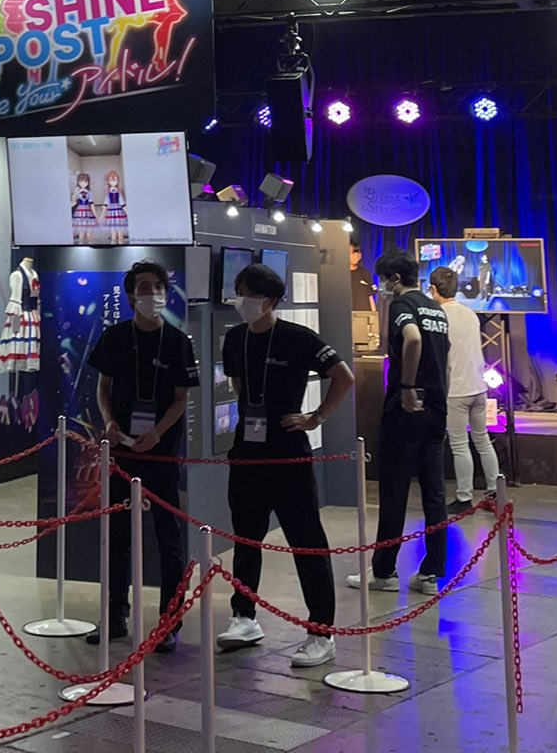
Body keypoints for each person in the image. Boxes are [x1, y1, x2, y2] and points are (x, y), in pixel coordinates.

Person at [217, 263, 354, 667]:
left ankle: (321, 631)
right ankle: (244, 616)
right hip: (247, 453)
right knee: (246, 537)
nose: (243, 300)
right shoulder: (235, 338)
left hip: (289, 453)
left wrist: (316, 417)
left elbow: (343, 376)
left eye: (250, 293)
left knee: (306, 541)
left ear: (271, 300)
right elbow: (239, 387)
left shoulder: (297, 337)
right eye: (240, 291)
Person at [87, 260, 199, 650]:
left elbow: (182, 398)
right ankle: (115, 615)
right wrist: (109, 421)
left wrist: (158, 432)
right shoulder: (115, 337)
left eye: (158, 286)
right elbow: (103, 387)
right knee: (117, 534)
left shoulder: (178, 342)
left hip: (161, 453)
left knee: (169, 537)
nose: (152, 293)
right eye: (144, 287)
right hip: (122, 451)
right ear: (132, 296)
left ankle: (170, 621)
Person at [349, 251, 449, 597]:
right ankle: (431, 572)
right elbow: (445, 359)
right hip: (436, 408)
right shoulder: (436, 309)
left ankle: (384, 572)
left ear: (393, 278)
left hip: (406, 410)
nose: (381, 286)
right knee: (435, 494)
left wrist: (406, 386)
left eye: (383, 279)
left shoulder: (402, 305)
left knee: (393, 490)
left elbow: (413, 338)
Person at [430, 266, 500, 517]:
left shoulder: (438, 316)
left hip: (456, 390)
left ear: (433, 289)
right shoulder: (470, 313)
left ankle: (464, 497)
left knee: (460, 445)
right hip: (478, 387)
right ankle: (495, 492)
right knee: (482, 441)